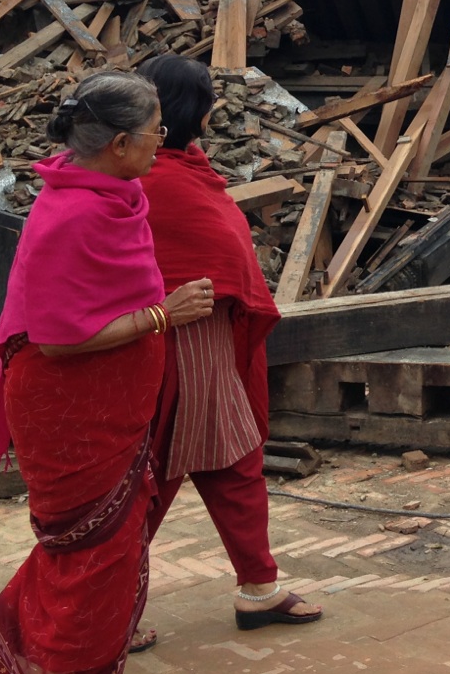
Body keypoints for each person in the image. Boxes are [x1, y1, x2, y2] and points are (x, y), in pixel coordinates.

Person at [0, 71, 215, 674]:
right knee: (93, 553)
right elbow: (59, 340)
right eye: (155, 133)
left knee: (90, 546)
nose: (162, 143)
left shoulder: (112, 192)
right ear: (118, 143)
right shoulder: (73, 213)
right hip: (69, 411)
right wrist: (164, 316)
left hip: (110, 408)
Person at [134, 54, 322, 637]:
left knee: (233, 463)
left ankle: (259, 587)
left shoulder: (180, 170)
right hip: (172, 345)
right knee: (154, 478)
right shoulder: (149, 181)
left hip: (205, 343)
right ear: (203, 114)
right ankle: (106, 612)